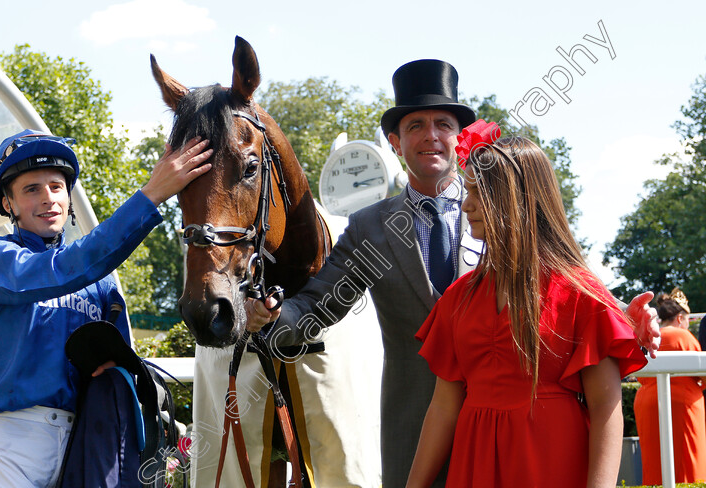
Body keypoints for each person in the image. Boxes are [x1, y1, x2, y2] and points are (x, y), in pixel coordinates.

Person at [246, 60, 661, 487]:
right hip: (414, 431)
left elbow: (566, 287)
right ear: (394, 142)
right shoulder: (373, 228)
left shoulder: (504, 201)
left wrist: (626, 322)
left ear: (460, 137)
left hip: (529, 440)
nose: (431, 135)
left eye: (443, 124)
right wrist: (270, 314)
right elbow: (318, 307)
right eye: (415, 125)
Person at [0, 129, 211, 487]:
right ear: (8, 204)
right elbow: (64, 268)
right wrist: (151, 194)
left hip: (86, 436)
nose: (48, 198)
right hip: (8, 442)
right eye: (31, 189)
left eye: (56, 186)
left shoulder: (102, 282)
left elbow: (122, 366)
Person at [406, 134, 648, 487]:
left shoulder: (580, 293)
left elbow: (606, 409)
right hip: (475, 466)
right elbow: (443, 407)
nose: (466, 205)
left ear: (516, 200)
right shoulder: (458, 298)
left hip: (552, 462)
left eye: (477, 193)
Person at [634, 288, 706, 485]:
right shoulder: (685, 337)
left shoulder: (648, 336)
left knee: (654, 464)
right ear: (681, 318)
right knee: (687, 464)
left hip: (646, 403)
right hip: (682, 405)